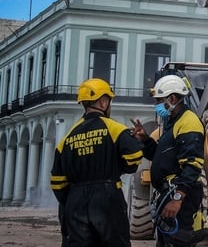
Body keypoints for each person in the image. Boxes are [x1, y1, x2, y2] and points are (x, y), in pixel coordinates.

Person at [50, 78, 144, 247]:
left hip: (75, 201)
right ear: (103, 102)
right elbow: (134, 157)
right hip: (107, 198)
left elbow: (57, 182)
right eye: (109, 101)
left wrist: (73, 198)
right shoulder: (115, 129)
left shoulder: (66, 138)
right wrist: (120, 166)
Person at [131, 75, 208, 247]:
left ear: (172, 99)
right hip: (169, 194)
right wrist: (145, 140)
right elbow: (162, 156)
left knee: (177, 241)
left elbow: (192, 165)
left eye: (159, 100)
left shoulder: (188, 123)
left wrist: (177, 199)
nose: (156, 105)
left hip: (179, 198)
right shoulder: (172, 122)